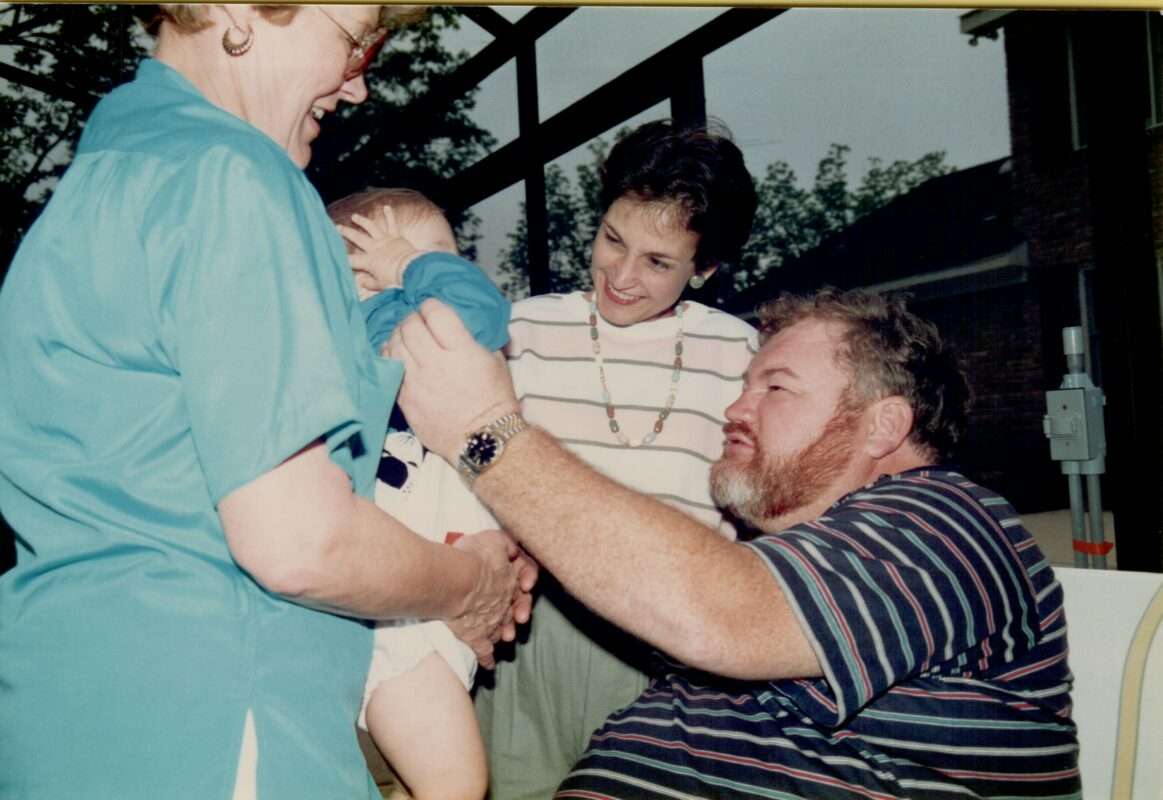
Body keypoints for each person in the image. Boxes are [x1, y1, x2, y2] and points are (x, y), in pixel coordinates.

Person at [0, 7, 533, 799]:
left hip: (70, 714)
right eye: (355, 39)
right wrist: (467, 585)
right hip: (219, 723)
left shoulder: (95, 192)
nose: (358, 84)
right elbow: (299, 542)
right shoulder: (235, 177)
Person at [389, 287, 1081, 799]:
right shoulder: (767, 570)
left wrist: (484, 432)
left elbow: (718, 614)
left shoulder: (947, 522)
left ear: (882, 426)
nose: (733, 408)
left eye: (774, 387)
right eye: (740, 385)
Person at [471, 118, 761, 798]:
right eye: (611, 240)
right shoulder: (522, 330)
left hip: (671, 649)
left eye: (658, 262)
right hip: (527, 639)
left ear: (706, 267)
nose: (621, 276)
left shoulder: (739, 354)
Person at [327, 187, 508, 800]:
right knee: (455, 783)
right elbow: (479, 317)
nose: (430, 282)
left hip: (430, 616)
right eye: (406, 264)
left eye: (443, 261)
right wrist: (405, 268)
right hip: (395, 626)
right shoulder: (365, 335)